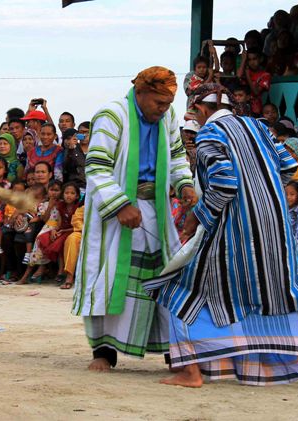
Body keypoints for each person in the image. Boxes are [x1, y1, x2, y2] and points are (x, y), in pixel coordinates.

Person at [153, 83, 298, 391]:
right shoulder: (258, 126)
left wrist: (197, 216)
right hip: (276, 224)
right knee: (291, 291)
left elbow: (225, 184)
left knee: (178, 289)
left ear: (202, 110)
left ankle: (191, 371)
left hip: (235, 228)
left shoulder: (210, 136)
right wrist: (261, 186)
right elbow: (290, 166)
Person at [72, 67, 195, 371]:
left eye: (168, 103)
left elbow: (178, 155)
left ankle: (174, 352)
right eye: (159, 102)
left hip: (157, 208)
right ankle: (103, 352)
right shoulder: (112, 116)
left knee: (167, 278)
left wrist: (185, 185)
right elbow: (97, 167)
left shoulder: (167, 116)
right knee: (112, 277)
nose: (164, 109)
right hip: (116, 214)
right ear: (140, 93)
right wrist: (120, 205)